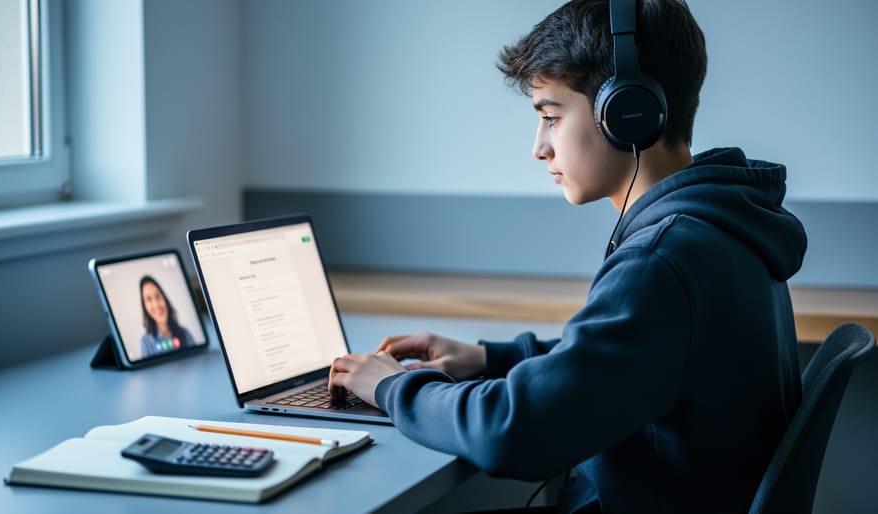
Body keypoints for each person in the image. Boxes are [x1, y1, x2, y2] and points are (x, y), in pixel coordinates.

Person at [328, 1, 806, 512]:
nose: (539, 147)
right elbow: (626, 358)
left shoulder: (662, 260)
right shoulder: (719, 227)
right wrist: (491, 358)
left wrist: (394, 387)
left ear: (628, 114)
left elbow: (517, 431)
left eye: (551, 117)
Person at [139, 275, 195, 358]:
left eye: (158, 296)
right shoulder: (145, 342)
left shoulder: (186, 334)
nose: (156, 305)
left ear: (164, 299)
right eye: (149, 299)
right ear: (144, 307)